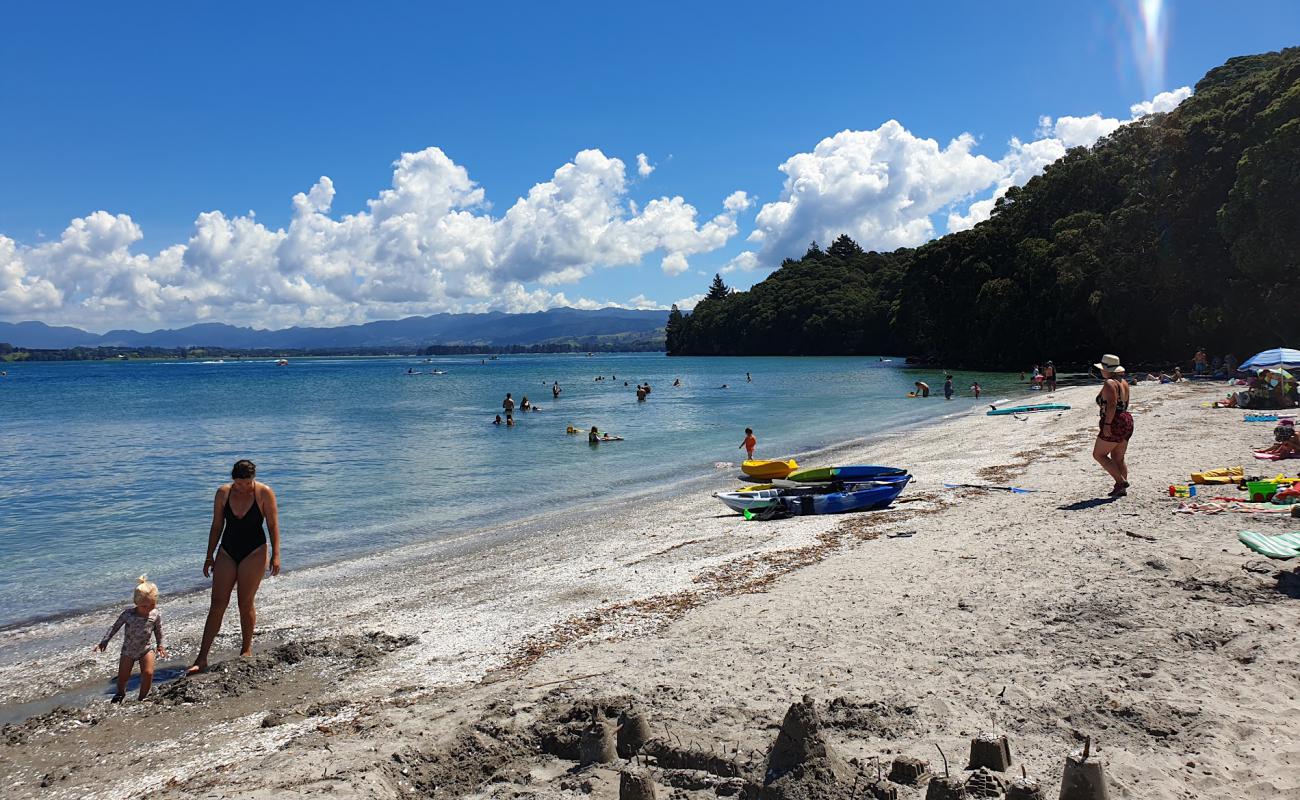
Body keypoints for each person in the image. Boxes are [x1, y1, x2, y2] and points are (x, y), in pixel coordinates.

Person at [187, 460, 280, 675]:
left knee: (244, 603)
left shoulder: (264, 493)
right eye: (238, 484)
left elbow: (273, 525)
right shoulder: (223, 493)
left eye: (246, 483)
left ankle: (246, 650)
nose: (242, 488)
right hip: (227, 550)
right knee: (217, 603)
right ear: (233, 480)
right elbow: (217, 525)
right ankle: (202, 658)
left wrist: (276, 555)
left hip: (254, 551)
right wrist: (209, 555)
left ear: (253, 479)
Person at [96, 575, 167, 702]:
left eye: (152, 605)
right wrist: (104, 641)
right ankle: (120, 693)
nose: (148, 609)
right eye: (144, 606)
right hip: (128, 650)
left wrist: (160, 645)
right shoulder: (128, 614)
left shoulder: (155, 614)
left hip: (146, 649)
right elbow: (114, 627)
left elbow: (159, 631)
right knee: (123, 676)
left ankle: (143, 696)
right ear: (137, 603)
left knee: (148, 673)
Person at [1092, 355, 1133, 497]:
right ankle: (1121, 487)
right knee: (1118, 457)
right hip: (1126, 419)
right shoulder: (1123, 382)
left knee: (1099, 454)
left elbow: (1112, 405)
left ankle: (1120, 482)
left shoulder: (1110, 383)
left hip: (1114, 420)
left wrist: (1107, 424)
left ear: (1107, 369)